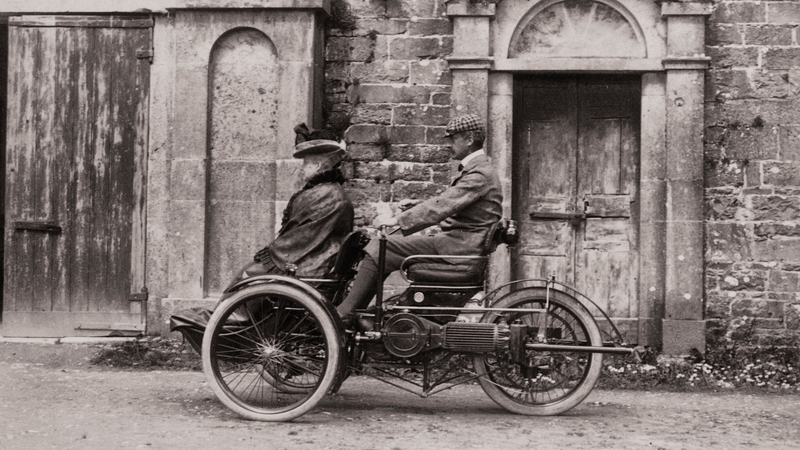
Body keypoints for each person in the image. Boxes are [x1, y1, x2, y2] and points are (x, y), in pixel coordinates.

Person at [170, 124, 354, 352]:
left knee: (250, 274)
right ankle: (227, 320)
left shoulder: (324, 195)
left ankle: (229, 325)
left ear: (319, 164)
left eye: (306, 163)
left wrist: (271, 255)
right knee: (252, 271)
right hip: (318, 261)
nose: (303, 169)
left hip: (309, 266)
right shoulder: (330, 193)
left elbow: (298, 239)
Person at [336, 113, 502, 321]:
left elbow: (441, 206)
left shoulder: (479, 174)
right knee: (387, 246)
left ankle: (345, 313)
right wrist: (413, 208)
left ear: (469, 139)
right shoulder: (478, 170)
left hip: (458, 248)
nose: (448, 144)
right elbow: (452, 203)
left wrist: (396, 220)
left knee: (381, 247)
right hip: (459, 245)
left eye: (452, 139)